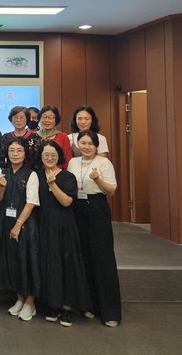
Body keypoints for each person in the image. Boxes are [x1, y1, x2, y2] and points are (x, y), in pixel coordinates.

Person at [67, 130, 121, 327]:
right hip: (77, 209)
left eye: (90, 143)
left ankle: (110, 312)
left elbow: (111, 190)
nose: (86, 146)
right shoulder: (73, 162)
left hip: (97, 207)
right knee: (84, 256)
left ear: (97, 146)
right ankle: (89, 305)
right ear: (78, 145)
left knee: (103, 257)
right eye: (83, 143)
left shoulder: (104, 163)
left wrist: (98, 179)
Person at [36, 140, 91, 327]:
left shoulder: (68, 176)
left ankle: (67, 307)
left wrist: (52, 184)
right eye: (46, 155)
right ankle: (54, 305)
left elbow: (67, 202)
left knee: (66, 264)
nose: (49, 158)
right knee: (50, 265)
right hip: (44, 226)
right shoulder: (37, 175)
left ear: (59, 156)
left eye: (53, 155)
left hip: (64, 226)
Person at [0, 139, 40, 322]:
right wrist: (2, 187)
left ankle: (30, 302)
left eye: (19, 150)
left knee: (27, 261)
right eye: (12, 150)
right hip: (6, 221)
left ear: (25, 153)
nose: (15, 154)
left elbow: (31, 202)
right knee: (12, 260)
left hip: (25, 224)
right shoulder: (3, 172)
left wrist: (18, 225)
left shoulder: (31, 174)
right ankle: (19, 298)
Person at [0, 106, 42, 170]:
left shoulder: (35, 137)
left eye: (21, 117)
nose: (18, 120)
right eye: (16, 117)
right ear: (11, 120)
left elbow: (38, 160)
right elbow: (2, 159)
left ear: (27, 119)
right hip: (10, 173)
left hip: (31, 173)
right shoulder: (6, 137)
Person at [37, 105, 72, 170]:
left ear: (56, 120)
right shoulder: (34, 136)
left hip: (58, 173)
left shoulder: (63, 137)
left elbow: (67, 160)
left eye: (50, 117)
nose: (47, 120)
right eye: (44, 117)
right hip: (37, 173)